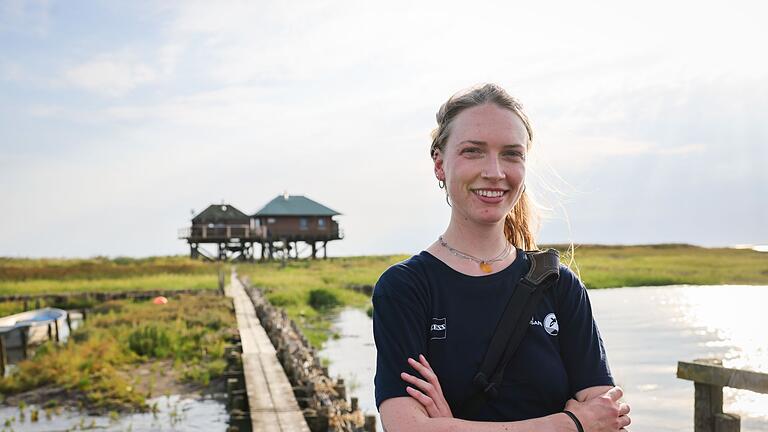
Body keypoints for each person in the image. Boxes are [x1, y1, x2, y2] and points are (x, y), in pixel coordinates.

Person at [372, 83, 631, 431]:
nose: (494, 171)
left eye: (511, 153)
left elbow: (608, 418)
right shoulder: (406, 287)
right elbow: (406, 426)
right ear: (439, 163)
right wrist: (570, 423)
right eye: (473, 151)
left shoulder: (558, 284)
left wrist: (453, 425)